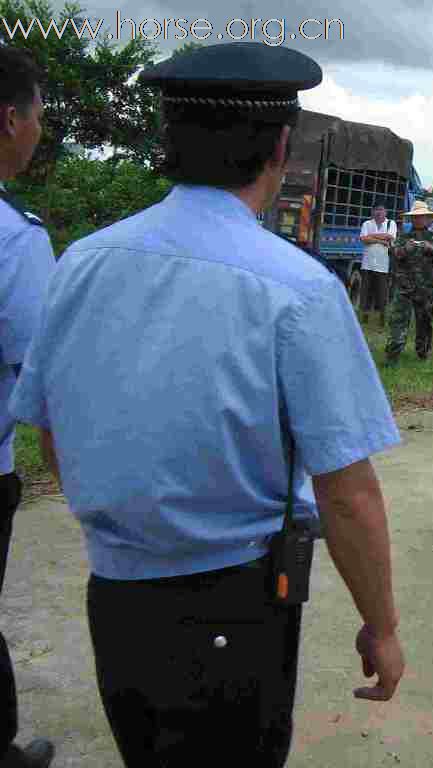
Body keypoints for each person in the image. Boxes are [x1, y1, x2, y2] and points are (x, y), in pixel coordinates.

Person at [10, 43, 406, 768]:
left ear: (170, 141)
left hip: (116, 598)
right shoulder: (299, 289)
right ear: (279, 147)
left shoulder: (83, 262)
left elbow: (51, 430)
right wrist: (380, 625)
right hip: (236, 606)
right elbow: (347, 492)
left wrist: (128, 529)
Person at [0, 46, 57, 768]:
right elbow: (43, 374)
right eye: (40, 115)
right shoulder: (16, 238)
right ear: (9, 120)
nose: (41, 130)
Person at [385, 200, 433, 365]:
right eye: (415, 217)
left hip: (426, 289)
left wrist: (431, 248)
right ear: (412, 219)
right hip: (404, 288)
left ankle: (423, 354)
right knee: (398, 321)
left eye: (422, 217)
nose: (419, 220)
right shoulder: (403, 238)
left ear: (428, 219)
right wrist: (404, 250)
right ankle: (392, 356)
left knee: (425, 323)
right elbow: (392, 253)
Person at [358, 201, 396, 325]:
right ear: (372, 211)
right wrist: (381, 241)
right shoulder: (367, 223)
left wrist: (372, 237)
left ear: (386, 212)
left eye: (381, 210)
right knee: (366, 292)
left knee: (382, 293)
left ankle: (382, 318)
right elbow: (363, 239)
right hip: (367, 264)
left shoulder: (391, 223)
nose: (379, 212)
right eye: (376, 209)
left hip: (383, 265)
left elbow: (389, 237)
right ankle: (365, 317)